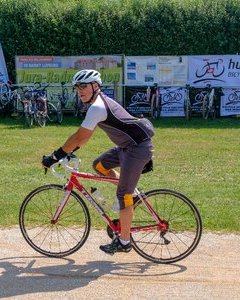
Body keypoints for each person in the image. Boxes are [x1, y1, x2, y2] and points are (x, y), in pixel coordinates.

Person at [42, 69, 155, 254]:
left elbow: (79, 136)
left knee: (123, 196)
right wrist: (69, 152)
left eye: (83, 86)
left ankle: (125, 242)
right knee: (99, 166)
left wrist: (55, 156)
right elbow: (84, 138)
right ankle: (133, 194)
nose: (79, 90)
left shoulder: (98, 107)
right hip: (126, 147)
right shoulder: (97, 104)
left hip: (137, 148)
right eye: (77, 87)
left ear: (95, 86)